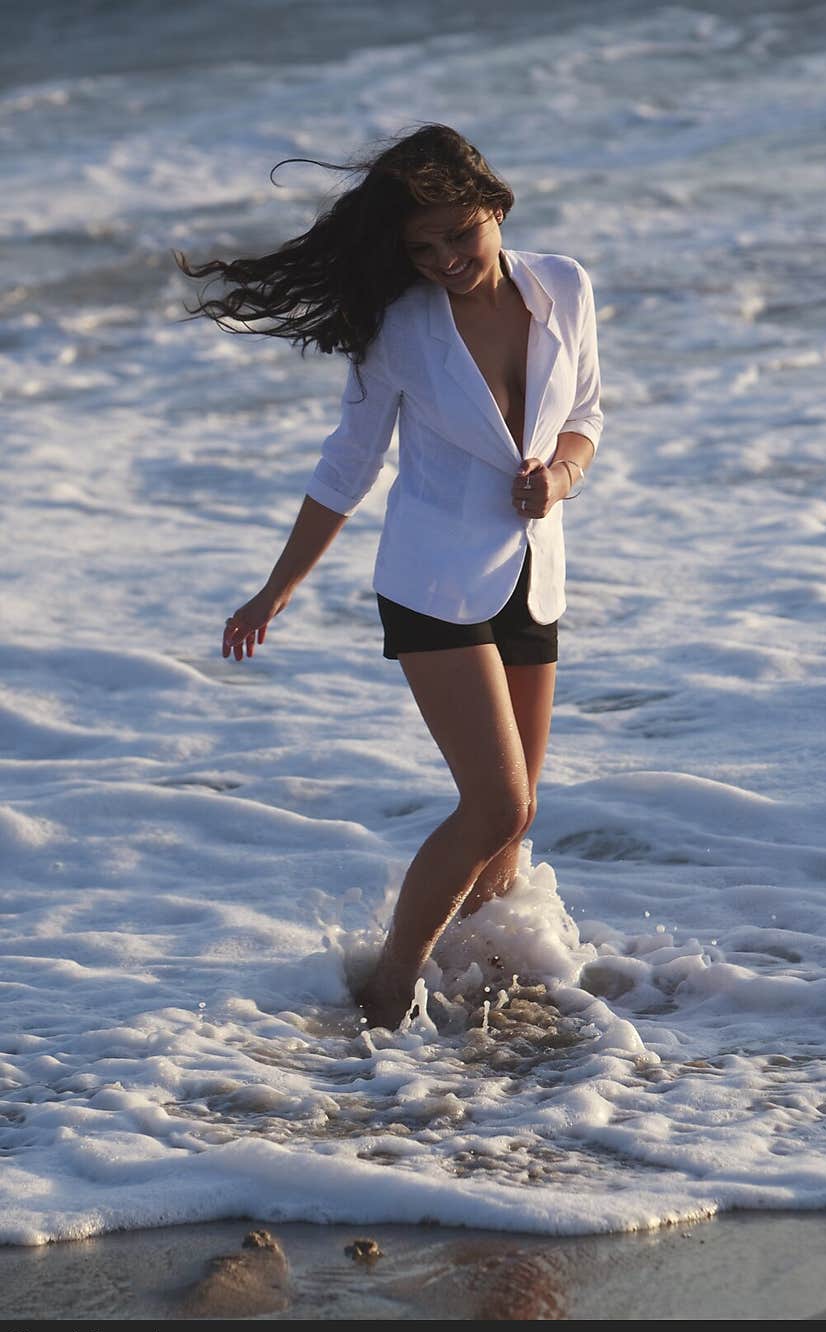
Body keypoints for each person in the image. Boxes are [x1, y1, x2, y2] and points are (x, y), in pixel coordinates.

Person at [174, 123, 603, 1030]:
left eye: (459, 234)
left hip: (532, 576)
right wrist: (276, 589)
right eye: (422, 247)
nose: (445, 258)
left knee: (513, 826)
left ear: (495, 205)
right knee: (497, 803)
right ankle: (391, 987)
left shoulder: (563, 285)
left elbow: (587, 416)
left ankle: (492, 979)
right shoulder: (401, 329)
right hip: (432, 584)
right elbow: (347, 466)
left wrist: (558, 475)